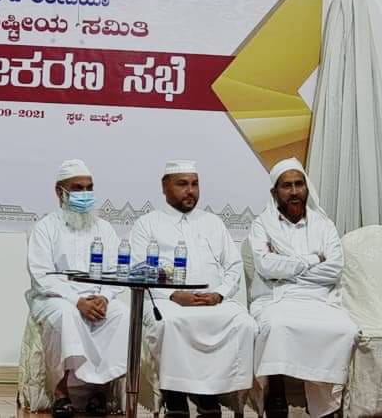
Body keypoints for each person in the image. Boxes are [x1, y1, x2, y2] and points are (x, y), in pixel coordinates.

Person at [130, 160, 255, 418]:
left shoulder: (213, 222)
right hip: (167, 301)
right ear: (165, 187)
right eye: (182, 184)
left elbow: (233, 265)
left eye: (195, 184)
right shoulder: (147, 223)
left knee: (244, 324)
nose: (190, 191)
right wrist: (174, 295)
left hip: (212, 300)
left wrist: (219, 293)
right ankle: (174, 396)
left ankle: (211, 394)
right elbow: (138, 269)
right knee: (170, 323)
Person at [248, 158, 357, 418]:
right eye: (287, 186)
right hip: (277, 297)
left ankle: (323, 403)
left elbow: (334, 268)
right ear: (275, 191)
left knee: (345, 329)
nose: (294, 191)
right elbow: (266, 266)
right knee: (276, 326)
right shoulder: (262, 224)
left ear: (307, 188)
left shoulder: (324, 225)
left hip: (321, 299)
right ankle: (276, 393)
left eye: (299, 184)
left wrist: (287, 269)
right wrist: (312, 259)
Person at [26, 159, 128, 418]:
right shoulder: (45, 228)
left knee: (122, 314)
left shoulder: (104, 228)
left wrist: (105, 297)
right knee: (67, 314)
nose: (85, 194)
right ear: (60, 192)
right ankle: (62, 393)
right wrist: (76, 300)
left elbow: (115, 270)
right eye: (78, 188)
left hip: (97, 295)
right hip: (55, 297)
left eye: (89, 188)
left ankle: (99, 392)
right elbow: (42, 276)